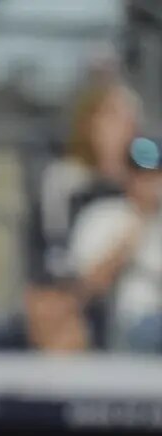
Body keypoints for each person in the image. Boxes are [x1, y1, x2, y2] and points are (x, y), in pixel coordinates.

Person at [34, 79, 140, 279]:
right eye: (114, 117)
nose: (127, 126)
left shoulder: (144, 179)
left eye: (131, 118)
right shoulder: (66, 179)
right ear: (89, 123)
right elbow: (56, 250)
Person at [67, 136, 162, 351]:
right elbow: (87, 289)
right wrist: (129, 240)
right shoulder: (103, 216)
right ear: (128, 176)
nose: (151, 183)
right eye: (143, 175)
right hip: (129, 322)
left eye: (157, 175)